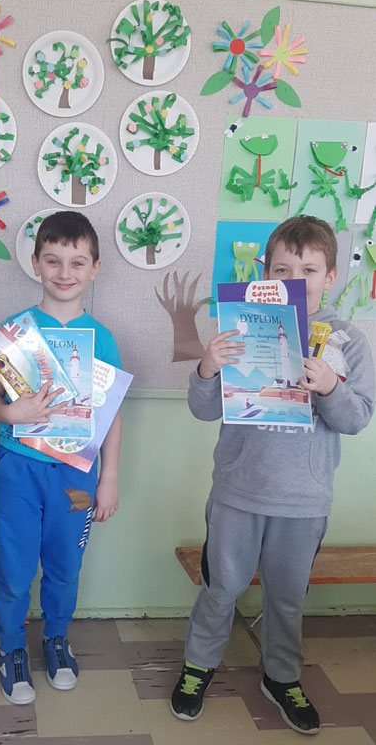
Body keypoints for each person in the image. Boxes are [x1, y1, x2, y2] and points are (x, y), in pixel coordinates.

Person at [171, 216, 374, 735]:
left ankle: (282, 677)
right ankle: (198, 666)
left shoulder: (348, 341)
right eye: (283, 269)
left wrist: (330, 387)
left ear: (330, 276)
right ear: (265, 273)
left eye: (309, 270)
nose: (295, 280)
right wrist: (206, 369)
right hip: (238, 492)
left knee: (287, 598)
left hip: (304, 501)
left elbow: (356, 420)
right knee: (221, 587)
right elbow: (202, 410)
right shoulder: (241, 327)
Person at [0, 211, 122, 705]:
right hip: (17, 470)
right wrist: (10, 412)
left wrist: (109, 479)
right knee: (15, 567)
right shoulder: (14, 332)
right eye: (53, 260)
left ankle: (56, 637)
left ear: (95, 269)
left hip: (76, 474)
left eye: (77, 262)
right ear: (36, 263)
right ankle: (11, 646)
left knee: (64, 564)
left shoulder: (102, 338)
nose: (65, 272)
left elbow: (111, 416)